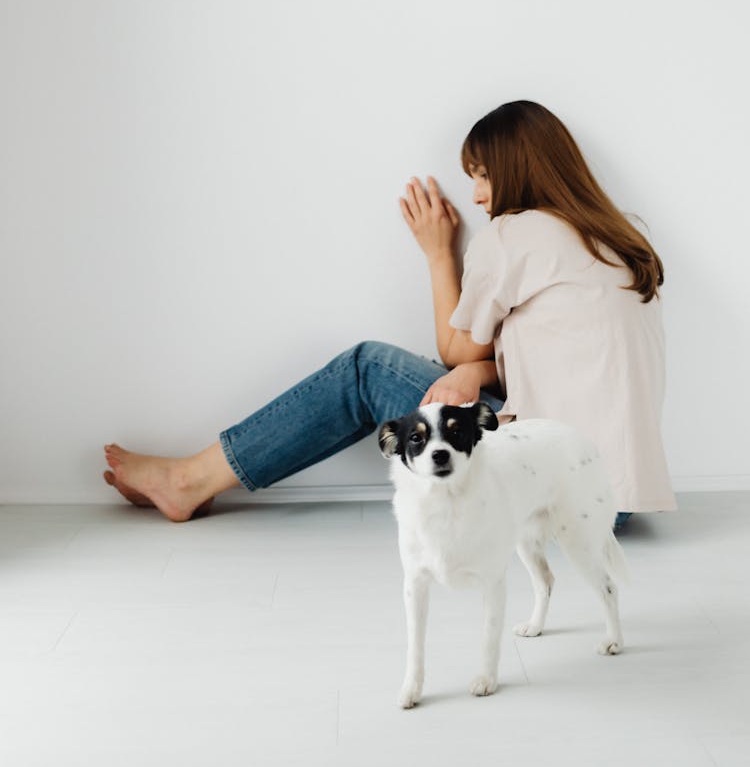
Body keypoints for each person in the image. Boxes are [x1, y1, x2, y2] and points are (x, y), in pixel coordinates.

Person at [103, 99, 676, 528]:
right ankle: (197, 479)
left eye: (482, 173)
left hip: (548, 496)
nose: (477, 195)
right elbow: (565, 368)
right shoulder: (618, 242)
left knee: (367, 368)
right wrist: (476, 371)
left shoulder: (519, 233)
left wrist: (437, 254)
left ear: (518, 169)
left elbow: (456, 350)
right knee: (445, 375)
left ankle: (189, 480)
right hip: (614, 501)